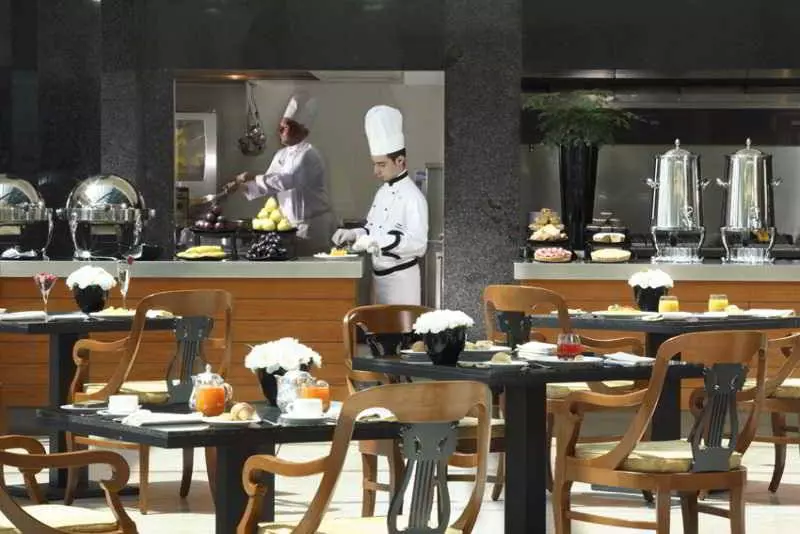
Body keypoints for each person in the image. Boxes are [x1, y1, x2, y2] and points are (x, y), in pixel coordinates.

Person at [332, 105, 428, 304]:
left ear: (400, 160)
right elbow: (372, 228)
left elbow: (418, 245)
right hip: (378, 278)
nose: (376, 171)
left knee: (399, 325)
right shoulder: (382, 192)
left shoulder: (414, 197)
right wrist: (353, 234)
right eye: (374, 164)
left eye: (381, 164)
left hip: (401, 282)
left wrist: (376, 242)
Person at [225, 93, 337, 256]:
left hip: (312, 227)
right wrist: (240, 186)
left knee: (311, 268)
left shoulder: (309, 154)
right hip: (288, 227)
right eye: (281, 126)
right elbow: (267, 185)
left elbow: (288, 180)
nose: (280, 130)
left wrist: (252, 176)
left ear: (303, 130)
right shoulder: (281, 155)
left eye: (287, 126)